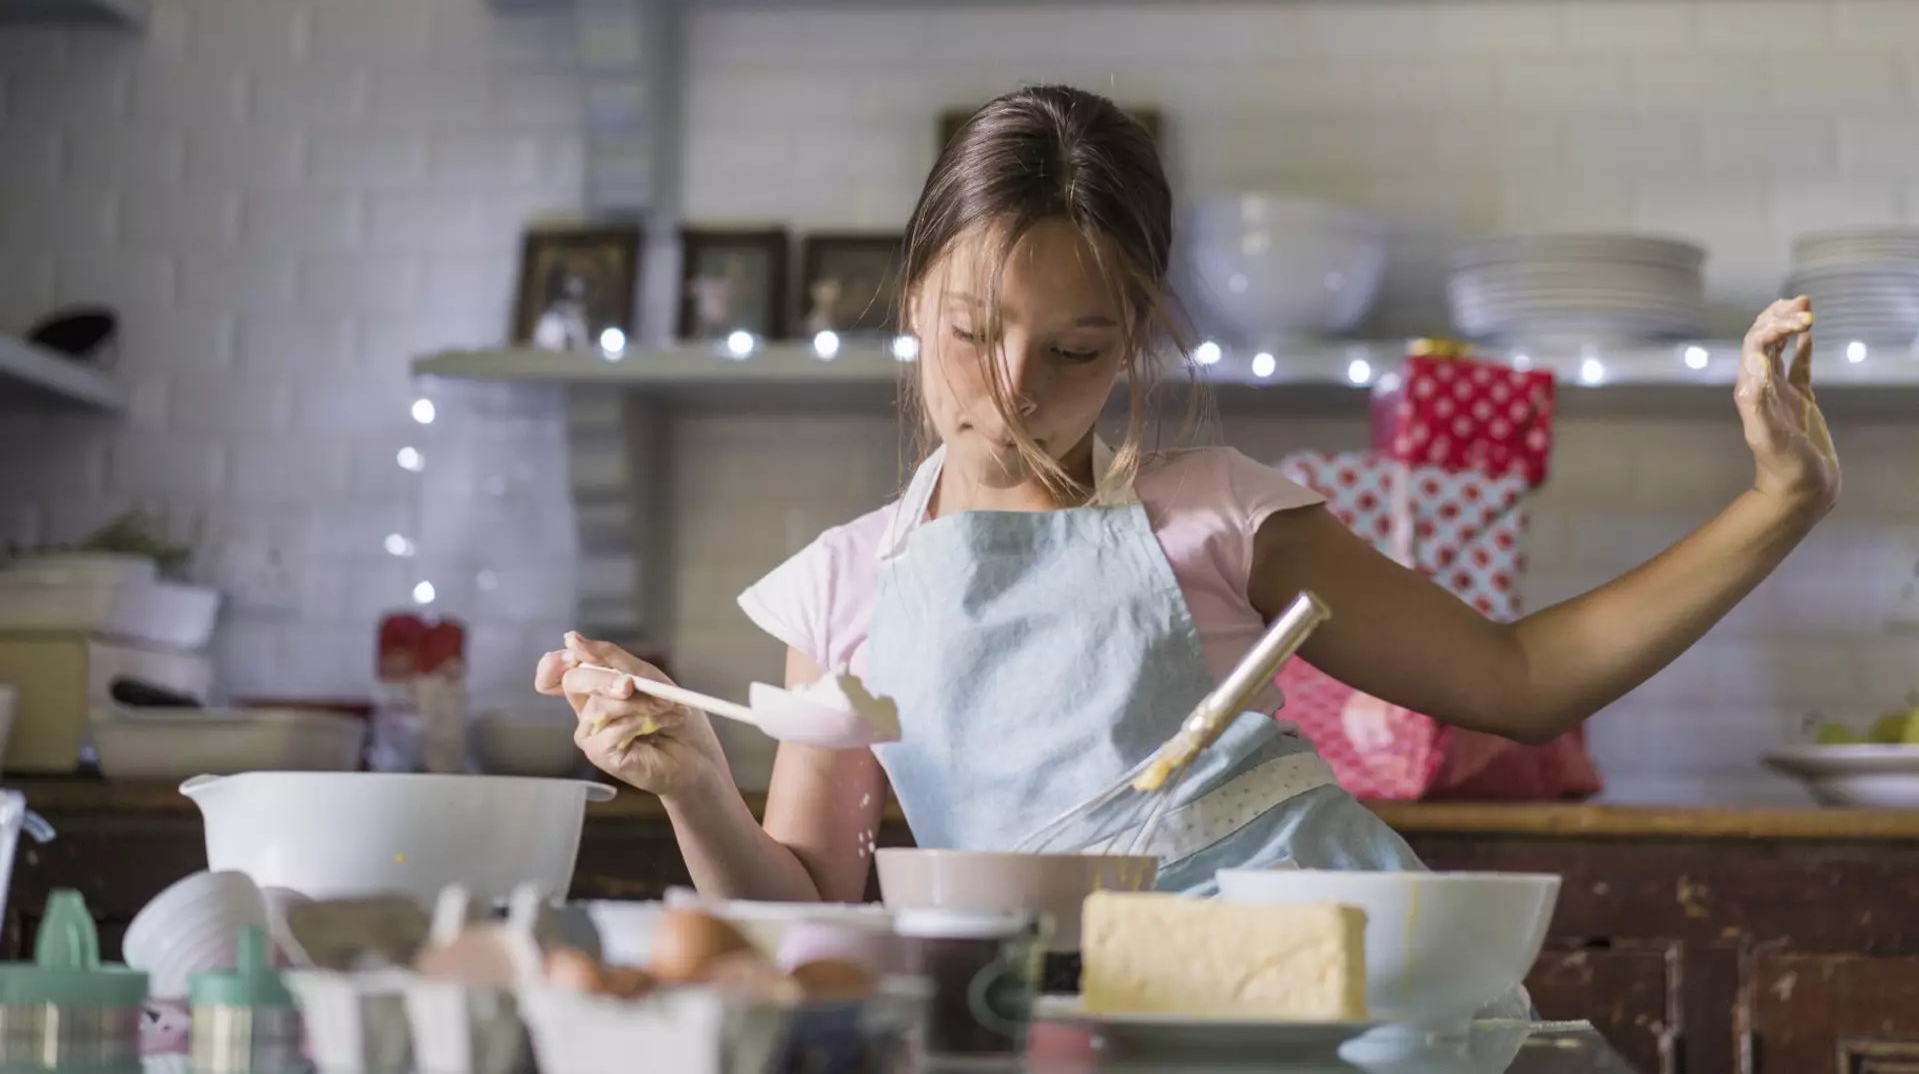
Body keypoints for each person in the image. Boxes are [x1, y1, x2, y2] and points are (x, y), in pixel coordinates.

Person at [536, 84, 1838, 910]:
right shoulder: (840, 586)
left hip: (1319, 978)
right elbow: (810, 902)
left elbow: (1522, 679)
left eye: (1075, 350)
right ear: (915, 296)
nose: (1013, 390)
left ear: (1135, 342)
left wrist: (1778, 500)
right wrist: (694, 784)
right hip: (1068, 1016)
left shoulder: (1217, 516)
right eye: (973, 332)